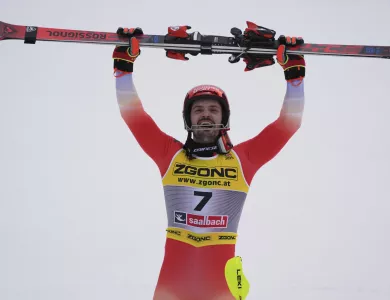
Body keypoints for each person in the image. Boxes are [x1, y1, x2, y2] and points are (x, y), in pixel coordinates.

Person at [112, 27, 305, 300]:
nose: (206, 115)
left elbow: (289, 124)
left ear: (224, 118)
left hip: (221, 287)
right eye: (198, 109)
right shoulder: (169, 155)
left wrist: (294, 78)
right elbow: (133, 115)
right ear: (188, 119)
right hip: (173, 285)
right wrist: (123, 68)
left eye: (213, 109)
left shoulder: (243, 160)